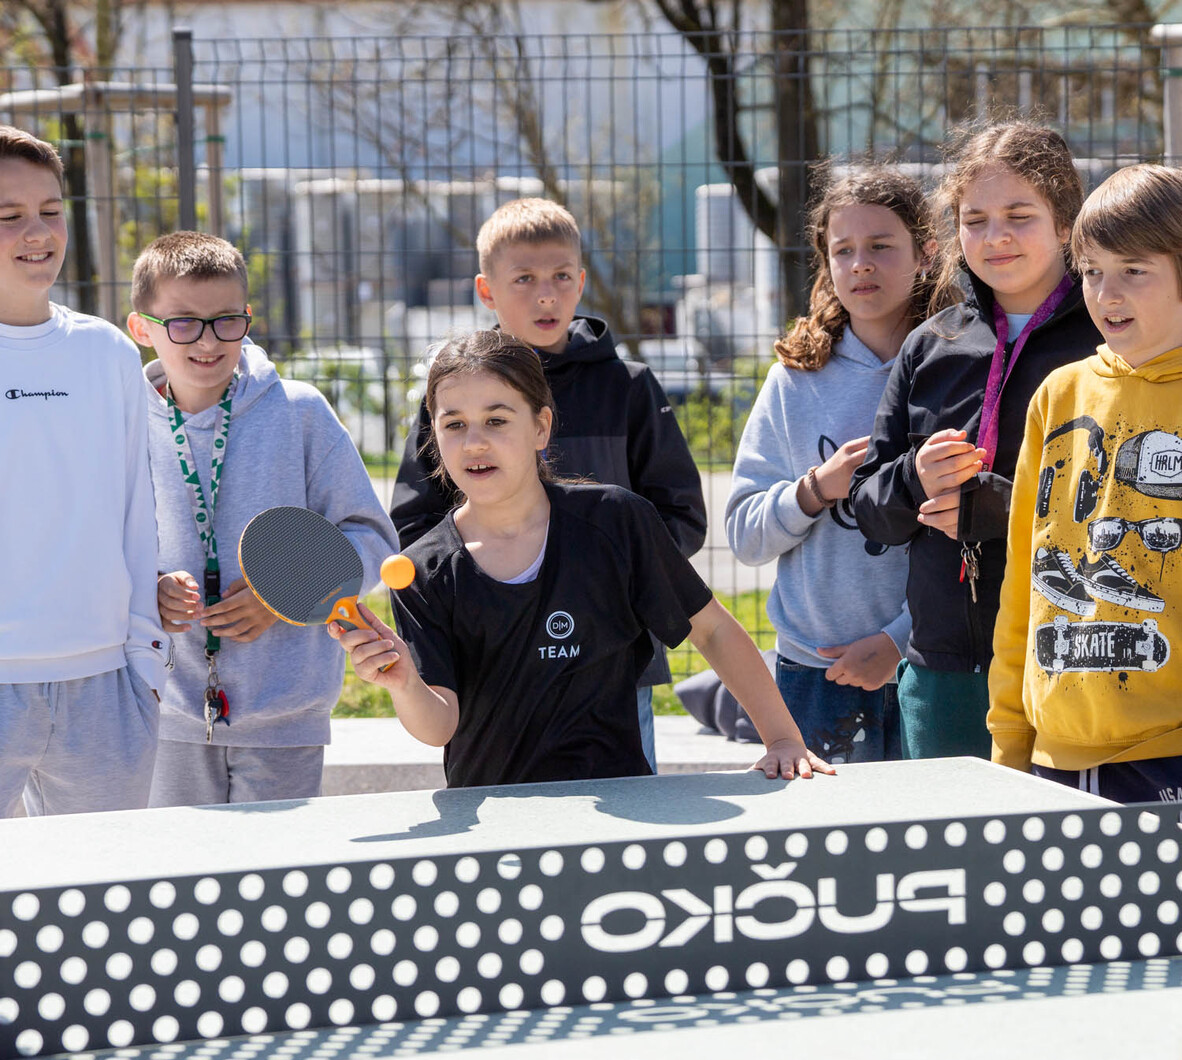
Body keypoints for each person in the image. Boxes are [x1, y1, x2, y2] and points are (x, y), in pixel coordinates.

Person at [334, 330, 832, 788]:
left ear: (541, 427)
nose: (475, 441)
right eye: (454, 424)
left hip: (621, 802)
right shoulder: (422, 570)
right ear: (434, 437)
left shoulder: (617, 521)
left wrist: (783, 740)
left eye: (496, 420)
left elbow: (714, 630)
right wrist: (405, 684)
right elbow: (439, 725)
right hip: (498, 824)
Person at [389, 197, 706, 773]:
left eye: (561, 276)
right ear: (486, 290)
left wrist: (611, 580)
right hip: (493, 668)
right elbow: (415, 527)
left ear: (581, 282)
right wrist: (493, 588)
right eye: (524, 279)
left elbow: (679, 515)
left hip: (613, 664)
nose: (545, 295)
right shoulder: (453, 392)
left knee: (629, 796)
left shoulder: (628, 387)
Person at [849, 121, 1101, 760]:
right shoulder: (931, 344)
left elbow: (1131, 507)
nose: (996, 237)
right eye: (975, 219)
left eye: (1019, 216)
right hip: (944, 669)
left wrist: (1005, 510)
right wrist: (914, 477)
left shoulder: (1108, 338)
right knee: (945, 827)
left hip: (1076, 657)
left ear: (1065, 223)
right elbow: (869, 510)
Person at [128, 231, 399, 806]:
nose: (208, 341)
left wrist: (282, 595)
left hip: (285, 714)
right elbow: (98, 552)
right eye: (183, 323)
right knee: (177, 863)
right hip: (163, 713)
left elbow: (372, 538)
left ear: (247, 318)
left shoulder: (299, 412)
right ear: (142, 329)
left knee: (277, 864)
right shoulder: (122, 422)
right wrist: (148, 592)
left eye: (226, 320)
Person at [726, 165, 941, 764]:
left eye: (881, 246)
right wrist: (816, 489)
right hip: (813, 671)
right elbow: (744, 535)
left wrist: (897, 641)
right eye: (843, 250)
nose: (861, 264)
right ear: (826, 264)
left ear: (925, 254)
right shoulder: (794, 379)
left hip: (930, 663)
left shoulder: (958, 366)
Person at [990, 164, 1182, 802]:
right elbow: (1024, 578)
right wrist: (1009, 737)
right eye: (1093, 271)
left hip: (1170, 754)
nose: (1107, 294)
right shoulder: (1058, 395)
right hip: (1054, 753)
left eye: (1134, 270)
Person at [0, 126, 169, 817]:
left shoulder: (106, 352)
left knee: (104, 887)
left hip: (106, 686)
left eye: (50, 210)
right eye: (10, 215)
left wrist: (145, 669)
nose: (37, 232)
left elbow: (137, 514)